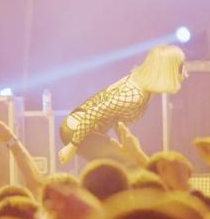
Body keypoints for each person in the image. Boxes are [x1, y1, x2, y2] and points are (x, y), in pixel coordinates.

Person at [58, 44, 188, 165]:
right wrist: (72, 146)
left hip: (86, 131)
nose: (184, 74)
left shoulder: (141, 86)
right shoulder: (134, 95)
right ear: (166, 71)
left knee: (128, 163)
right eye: (180, 68)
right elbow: (94, 112)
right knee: (127, 165)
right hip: (77, 132)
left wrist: (124, 143)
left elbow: (115, 116)